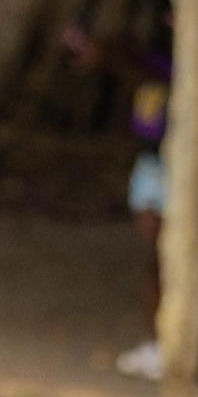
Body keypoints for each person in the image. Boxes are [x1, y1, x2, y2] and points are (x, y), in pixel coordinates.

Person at [56, 19, 172, 378]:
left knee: (172, 263)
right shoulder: (148, 68)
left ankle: (176, 344)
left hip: (179, 169)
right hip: (151, 165)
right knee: (154, 260)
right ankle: (156, 344)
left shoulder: (184, 70)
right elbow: (125, 57)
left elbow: (124, 55)